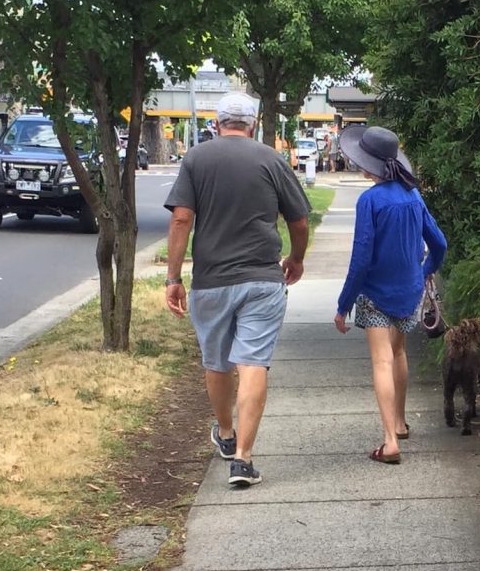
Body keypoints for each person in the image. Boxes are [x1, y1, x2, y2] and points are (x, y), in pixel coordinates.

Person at [164, 92, 311, 487]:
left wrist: (174, 278)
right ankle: (243, 461)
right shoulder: (270, 159)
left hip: (211, 280)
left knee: (217, 362)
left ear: (216, 123)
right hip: (262, 279)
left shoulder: (196, 159)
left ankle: (227, 436)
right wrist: (296, 258)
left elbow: (181, 220)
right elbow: (298, 220)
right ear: (252, 122)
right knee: (252, 363)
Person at [333, 125, 447, 464]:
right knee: (398, 354)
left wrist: (343, 305)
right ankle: (399, 422)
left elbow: (361, 258)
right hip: (409, 293)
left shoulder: (370, 200)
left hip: (375, 295)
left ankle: (389, 442)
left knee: (381, 360)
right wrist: (425, 271)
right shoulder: (413, 195)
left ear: (370, 164)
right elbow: (439, 243)